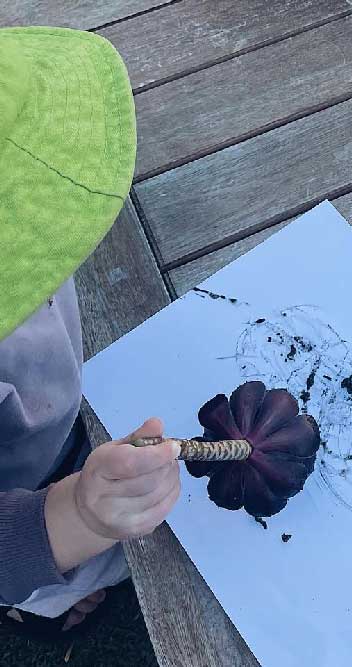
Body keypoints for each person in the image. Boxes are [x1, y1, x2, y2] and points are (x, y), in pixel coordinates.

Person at [0, 27, 180, 634]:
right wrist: (74, 518)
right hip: (22, 495)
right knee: (53, 573)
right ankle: (43, 608)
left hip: (55, 419)